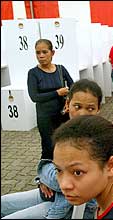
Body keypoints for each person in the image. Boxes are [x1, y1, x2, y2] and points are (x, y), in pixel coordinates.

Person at [1, 79, 103, 219]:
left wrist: (49, 174)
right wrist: (41, 180)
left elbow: (68, 182)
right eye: (77, 106)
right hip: (52, 193)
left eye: (90, 108)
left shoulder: (99, 140)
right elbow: (46, 161)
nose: (82, 113)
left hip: (70, 207)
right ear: (68, 104)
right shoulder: (62, 130)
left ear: (98, 110)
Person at [27, 39, 74, 160]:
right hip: (45, 117)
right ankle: (45, 172)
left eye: (44, 52)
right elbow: (34, 97)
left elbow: (73, 86)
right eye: (38, 53)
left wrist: (69, 100)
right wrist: (57, 93)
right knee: (48, 146)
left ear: (52, 53)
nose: (41, 56)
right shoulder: (33, 73)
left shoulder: (60, 69)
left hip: (63, 114)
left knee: (65, 143)